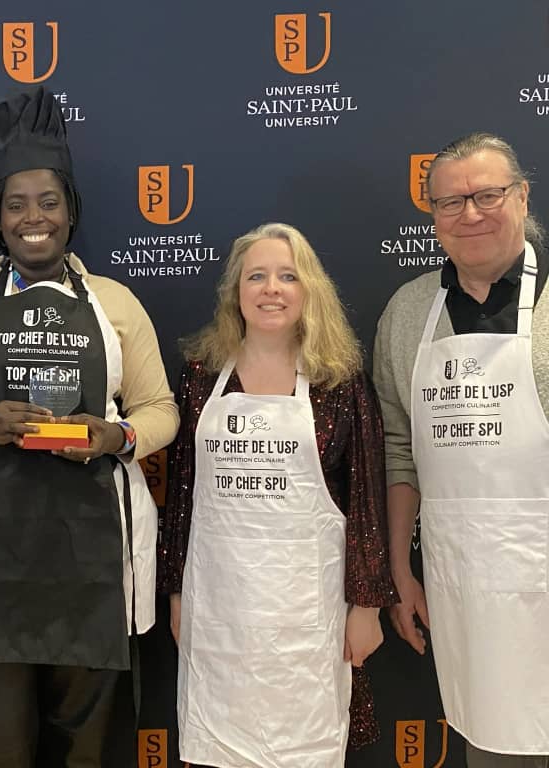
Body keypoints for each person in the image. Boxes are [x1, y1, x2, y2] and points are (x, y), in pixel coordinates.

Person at [0, 85, 178, 767]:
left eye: (48, 201)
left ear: (70, 211)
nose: (33, 217)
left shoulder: (116, 302)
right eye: (15, 204)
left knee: (88, 749)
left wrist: (115, 438)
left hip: (92, 559)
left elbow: (160, 410)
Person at [159, 222, 396, 768]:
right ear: (235, 292)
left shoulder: (340, 381)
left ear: (309, 289)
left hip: (308, 617)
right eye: (257, 276)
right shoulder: (201, 377)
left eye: (288, 276)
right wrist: (176, 593)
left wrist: (366, 606)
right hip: (219, 610)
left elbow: (366, 500)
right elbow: (183, 495)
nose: (271, 289)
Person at [374, 133, 549, 768]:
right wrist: (400, 568)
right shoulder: (408, 312)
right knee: (496, 745)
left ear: (522, 197)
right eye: (451, 202)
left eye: (487, 195)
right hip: (467, 593)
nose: (470, 214)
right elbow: (400, 450)